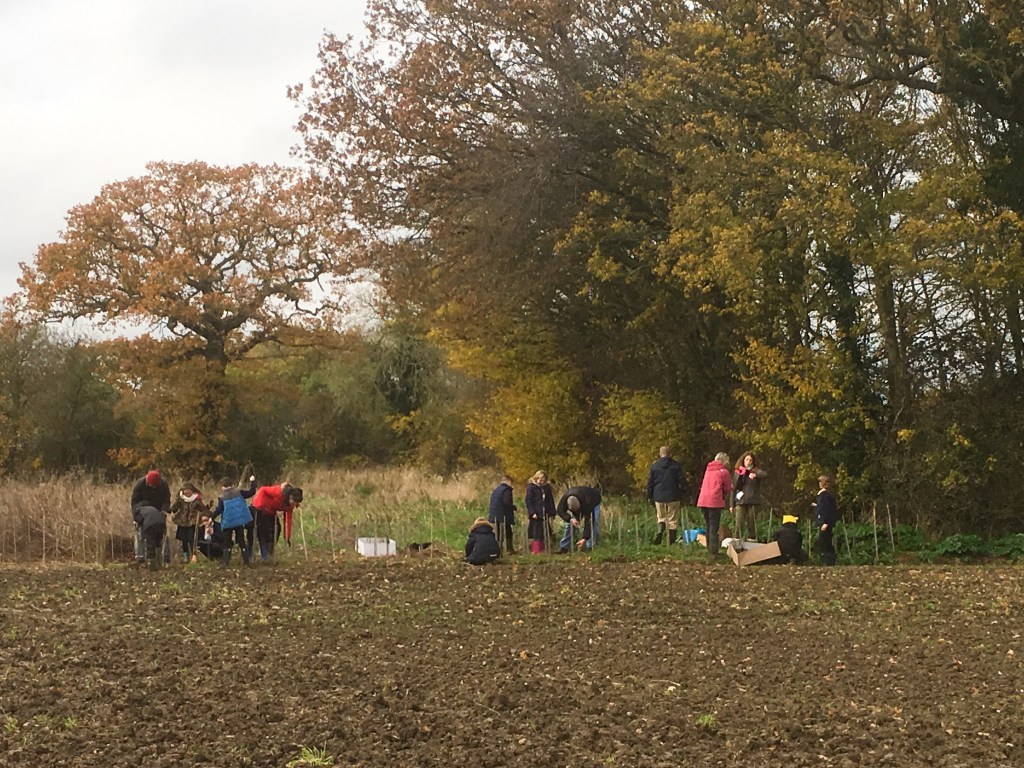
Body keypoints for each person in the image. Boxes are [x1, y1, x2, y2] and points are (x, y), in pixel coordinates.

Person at [645, 445, 689, 545]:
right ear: (670, 454)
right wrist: (686, 492)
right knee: (672, 520)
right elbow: (682, 480)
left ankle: (660, 530)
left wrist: (649, 495)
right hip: (673, 495)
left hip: (658, 495)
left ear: (660, 454)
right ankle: (670, 541)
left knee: (661, 517)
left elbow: (650, 482)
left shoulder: (655, 466)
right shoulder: (675, 466)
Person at [210, 475, 257, 567]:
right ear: (232, 485)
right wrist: (252, 482)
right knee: (241, 541)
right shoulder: (239, 492)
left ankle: (225, 562)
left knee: (227, 542)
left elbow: (219, 510)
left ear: (222, 487)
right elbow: (251, 492)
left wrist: (211, 517)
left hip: (228, 522)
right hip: (239, 521)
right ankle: (246, 561)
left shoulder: (222, 497)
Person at [251, 482, 303, 562]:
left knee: (277, 529)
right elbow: (262, 490)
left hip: (271, 511)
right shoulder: (278, 492)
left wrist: (287, 536)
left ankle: (270, 551)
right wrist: (259, 506)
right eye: (294, 501)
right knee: (265, 531)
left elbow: (288, 520)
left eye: (297, 503)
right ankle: (265, 554)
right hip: (260, 508)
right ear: (290, 497)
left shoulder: (290, 506)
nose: (295, 504)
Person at [129, 470, 171, 565]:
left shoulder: (163, 485)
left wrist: (164, 511)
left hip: (159, 512)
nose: (153, 487)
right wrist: (137, 517)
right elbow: (134, 503)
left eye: (155, 486)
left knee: (162, 535)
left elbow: (166, 500)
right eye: (151, 485)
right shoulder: (140, 484)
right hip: (142, 511)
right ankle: (140, 557)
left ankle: (163, 558)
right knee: (140, 534)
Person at [696, 452, 732, 562]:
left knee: (708, 525)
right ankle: (714, 551)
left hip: (703, 500)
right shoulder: (724, 472)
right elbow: (727, 488)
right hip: (715, 501)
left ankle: (709, 548)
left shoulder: (708, 470)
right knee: (714, 526)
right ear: (723, 460)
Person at [167, 482, 208, 563]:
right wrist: (169, 510)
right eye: (185, 490)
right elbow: (175, 508)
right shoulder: (180, 499)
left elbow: (203, 509)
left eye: (189, 490)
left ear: (192, 491)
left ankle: (193, 555)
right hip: (182, 523)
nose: (187, 492)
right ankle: (186, 556)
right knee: (184, 541)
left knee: (192, 540)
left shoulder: (197, 500)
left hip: (192, 523)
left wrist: (203, 515)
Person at [731, 451, 766, 542]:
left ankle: (752, 539)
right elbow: (734, 488)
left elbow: (764, 474)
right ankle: (737, 539)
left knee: (751, 522)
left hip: (753, 500)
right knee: (739, 522)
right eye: (747, 459)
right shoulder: (738, 472)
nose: (748, 462)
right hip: (741, 500)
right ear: (743, 460)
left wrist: (755, 475)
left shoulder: (755, 470)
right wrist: (732, 504)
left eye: (750, 460)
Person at [555, 486, 602, 553]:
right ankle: (564, 547)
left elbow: (589, 521)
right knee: (570, 524)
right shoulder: (565, 497)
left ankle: (590, 547)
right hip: (582, 499)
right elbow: (560, 510)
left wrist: (585, 538)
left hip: (594, 501)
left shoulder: (588, 502)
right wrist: (570, 519)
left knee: (594, 524)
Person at [525, 470, 556, 553]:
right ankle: (536, 550)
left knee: (545, 531)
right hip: (536, 513)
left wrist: (552, 513)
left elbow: (550, 500)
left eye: (544, 478)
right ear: (536, 477)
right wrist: (532, 513)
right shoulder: (531, 487)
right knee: (536, 532)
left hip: (545, 513)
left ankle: (543, 549)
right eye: (540, 478)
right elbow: (528, 501)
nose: (542, 480)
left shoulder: (547, 488)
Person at [132, 503, 167, 571]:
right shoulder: (152, 508)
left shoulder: (138, 511)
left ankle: (152, 565)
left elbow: (140, 520)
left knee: (150, 544)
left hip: (150, 525)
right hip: (161, 524)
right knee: (158, 543)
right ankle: (159, 563)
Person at [813, 474, 839, 565]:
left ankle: (828, 561)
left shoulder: (824, 495)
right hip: (825, 522)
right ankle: (829, 560)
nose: (819, 483)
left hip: (825, 522)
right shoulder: (827, 495)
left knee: (824, 542)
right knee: (825, 541)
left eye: (820, 482)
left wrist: (825, 522)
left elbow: (826, 509)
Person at [488, 475, 517, 555]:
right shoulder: (507, 490)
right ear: (509, 481)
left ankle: (498, 549)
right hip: (503, 514)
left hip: (495, 514)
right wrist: (513, 507)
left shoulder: (496, 490)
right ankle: (509, 549)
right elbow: (506, 502)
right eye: (511, 483)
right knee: (508, 531)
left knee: (498, 533)